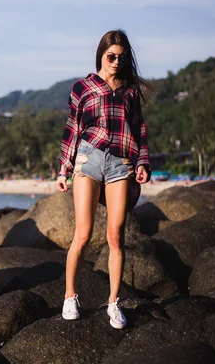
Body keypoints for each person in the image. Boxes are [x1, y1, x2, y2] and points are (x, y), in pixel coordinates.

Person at [56, 29, 152, 329]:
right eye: (111, 56)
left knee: (115, 236)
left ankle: (113, 303)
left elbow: (139, 128)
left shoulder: (130, 90)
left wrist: (143, 162)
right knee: (83, 234)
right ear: (101, 55)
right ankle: (70, 296)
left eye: (121, 58)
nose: (115, 62)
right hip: (88, 159)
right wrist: (64, 169)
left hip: (120, 164)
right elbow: (72, 129)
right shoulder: (82, 87)